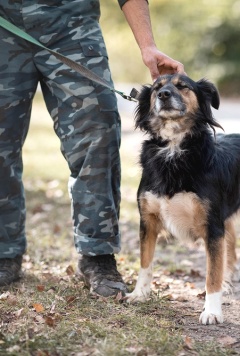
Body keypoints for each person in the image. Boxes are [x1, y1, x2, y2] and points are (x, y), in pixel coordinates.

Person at [0, 0, 184, 296]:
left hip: (71, 25)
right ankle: (3, 251)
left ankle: (97, 255)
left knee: (97, 135)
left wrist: (147, 45)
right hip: (3, 26)